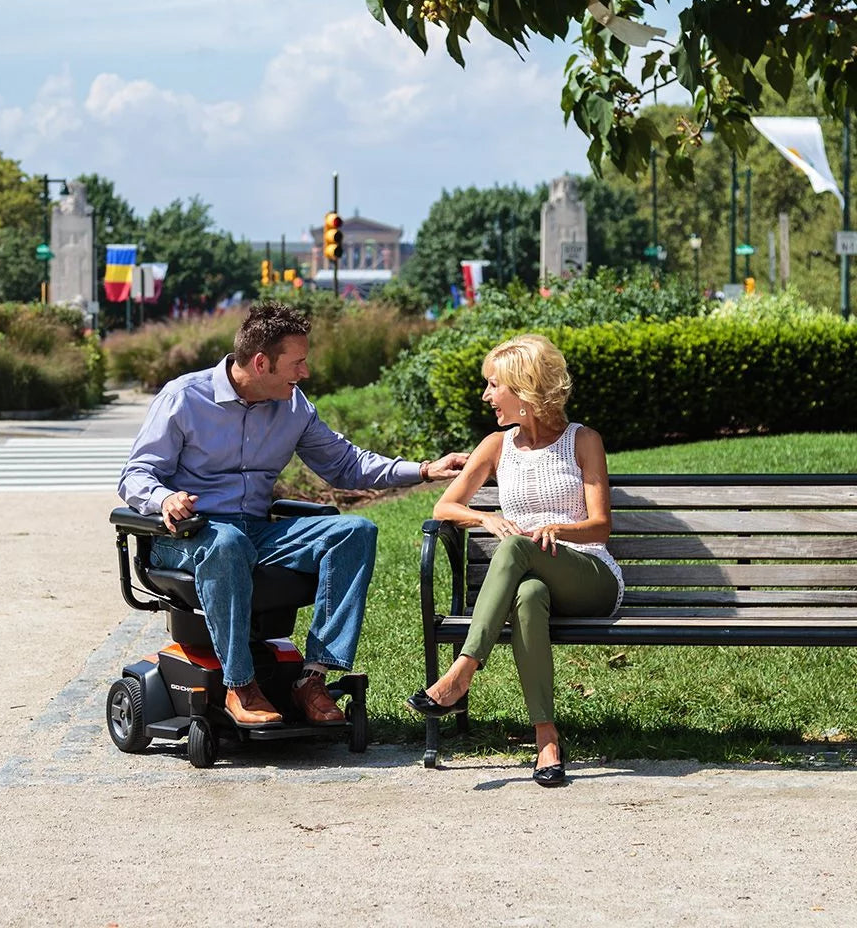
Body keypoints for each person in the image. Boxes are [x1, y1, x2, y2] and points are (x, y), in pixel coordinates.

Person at [119, 301, 468, 727]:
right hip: (188, 536)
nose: (305, 372)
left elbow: (346, 464)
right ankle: (240, 685)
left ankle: (311, 678)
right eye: (297, 362)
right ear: (261, 363)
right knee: (227, 542)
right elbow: (135, 475)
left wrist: (426, 469)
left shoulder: (293, 407)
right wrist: (163, 498)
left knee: (355, 530)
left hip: (254, 533)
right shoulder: (184, 398)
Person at [405, 334, 623, 786]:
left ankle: (462, 673)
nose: (486, 396)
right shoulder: (496, 446)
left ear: (524, 388)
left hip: (589, 576)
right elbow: (444, 507)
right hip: (534, 576)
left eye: (493, 385)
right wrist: (485, 518)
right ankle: (546, 740)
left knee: (516, 546)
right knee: (528, 594)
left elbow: (600, 527)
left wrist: (557, 529)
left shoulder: (583, 440)